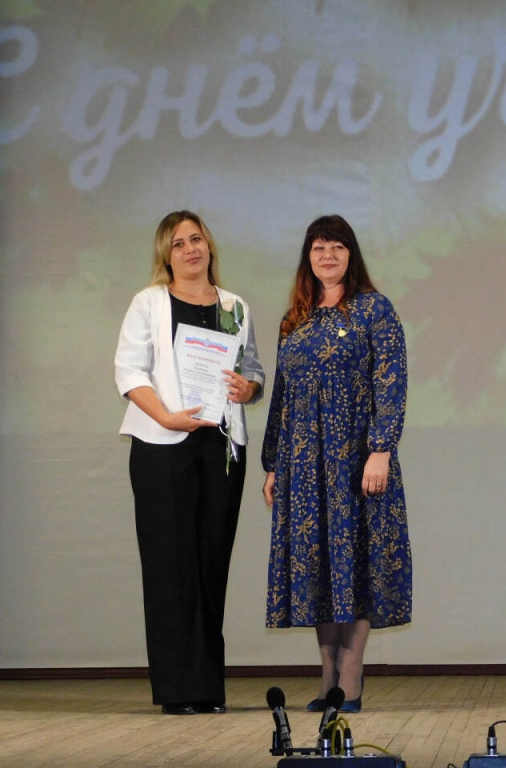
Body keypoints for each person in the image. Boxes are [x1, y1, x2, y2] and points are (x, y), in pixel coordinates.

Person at [115, 210, 265, 715]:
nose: (190, 249)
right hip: (163, 444)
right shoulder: (149, 302)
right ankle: (177, 691)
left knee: (210, 563)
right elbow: (128, 370)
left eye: (196, 239)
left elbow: (253, 371)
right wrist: (166, 416)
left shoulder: (234, 306)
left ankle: (207, 688)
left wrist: (248, 388)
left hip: (221, 447)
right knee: (169, 566)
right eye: (178, 243)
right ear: (166, 255)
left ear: (209, 246)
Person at [261, 214, 412, 714]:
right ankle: (328, 674)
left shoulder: (374, 309)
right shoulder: (295, 319)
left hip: (356, 460)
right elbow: (281, 396)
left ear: (352, 254)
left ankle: (352, 673)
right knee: (319, 567)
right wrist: (272, 464)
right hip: (303, 465)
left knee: (358, 561)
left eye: (337, 247)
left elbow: (391, 381)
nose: (327, 256)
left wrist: (381, 449)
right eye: (319, 247)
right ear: (308, 256)